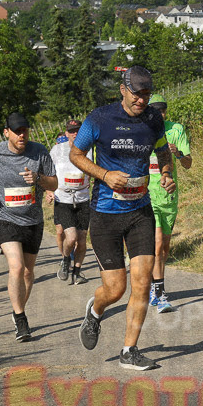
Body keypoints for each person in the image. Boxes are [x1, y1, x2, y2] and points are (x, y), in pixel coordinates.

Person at [71, 66, 175, 371]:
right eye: (136, 93)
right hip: (105, 215)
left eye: (146, 94)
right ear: (122, 90)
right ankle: (96, 310)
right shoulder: (99, 119)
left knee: (142, 283)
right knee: (116, 289)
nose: (142, 100)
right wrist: (104, 174)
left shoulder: (153, 119)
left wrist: (166, 174)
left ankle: (129, 350)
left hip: (140, 212)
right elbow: (75, 155)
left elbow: (164, 154)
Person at [0, 113, 58, 342]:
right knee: (17, 267)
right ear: (6, 132)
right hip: (4, 216)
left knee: (29, 272)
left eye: (25, 130)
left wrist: (38, 178)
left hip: (33, 219)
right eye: (17, 131)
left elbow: (54, 182)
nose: (22, 135)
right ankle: (21, 320)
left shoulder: (39, 151)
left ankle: (17, 309)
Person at [146, 94, 192, 314]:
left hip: (169, 195)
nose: (160, 114)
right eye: (155, 109)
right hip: (147, 194)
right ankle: (160, 293)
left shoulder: (176, 129)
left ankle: (152, 283)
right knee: (156, 245)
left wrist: (179, 153)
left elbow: (188, 164)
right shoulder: (142, 130)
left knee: (164, 247)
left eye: (162, 110)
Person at [48, 120, 91, 285]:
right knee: (71, 237)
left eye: (78, 131)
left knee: (82, 239)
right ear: (66, 133)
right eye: (71, 131)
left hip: (82, 199)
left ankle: (77, 272)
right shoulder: (57, 150)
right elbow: (48, 172)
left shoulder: (89, 151)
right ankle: (66, 259)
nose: (75, 134)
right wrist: (48, 190)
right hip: (63, 198)